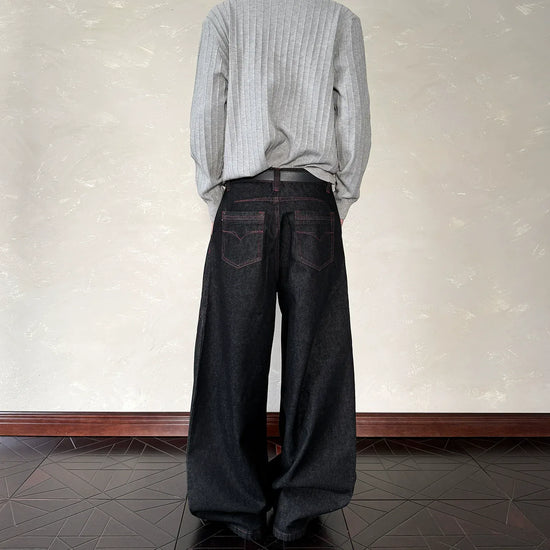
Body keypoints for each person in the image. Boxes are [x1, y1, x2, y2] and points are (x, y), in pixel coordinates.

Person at [186, 0, 371, 542]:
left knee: (229, 354)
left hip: (242, 199)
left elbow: (206, 113)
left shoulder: (227, 17)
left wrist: (216, 191)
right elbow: (354, 119)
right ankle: (300, 505)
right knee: (319, 356)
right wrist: (340, 196)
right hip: (312, 198)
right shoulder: (339, 21)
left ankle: (234, 505)